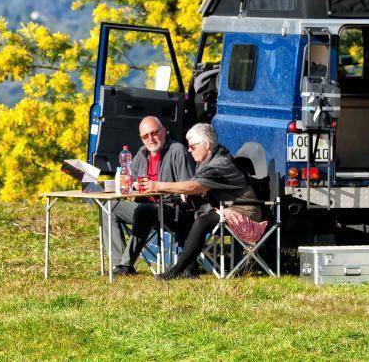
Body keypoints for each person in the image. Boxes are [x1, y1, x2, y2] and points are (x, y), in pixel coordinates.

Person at [145, 122, 263, 280]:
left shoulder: (220, 163)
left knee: (202, 221)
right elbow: (196, 181)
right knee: (185, 214)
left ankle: (176, 271)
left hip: (245, 213)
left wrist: (159, 185)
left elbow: (195, 186)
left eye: (192, 146)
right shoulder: (209, 160)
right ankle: (189, 269)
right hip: (225, 209)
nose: (189, 150)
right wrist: (185, 191)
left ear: (206, 145)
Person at [108, 115, 195, 276]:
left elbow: (188, 187)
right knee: (109, 207)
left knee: (143, 211)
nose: (150, 139)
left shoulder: (177, 150)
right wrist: (131, 187)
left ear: (164, 131)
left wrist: (159, 187)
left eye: (154, 133)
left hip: (171, 209)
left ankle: (126, 265)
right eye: (145, 136)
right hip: (144, 206)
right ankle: (117, 264)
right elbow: (130, 181)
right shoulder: (142, 153)